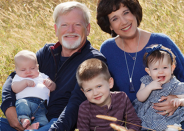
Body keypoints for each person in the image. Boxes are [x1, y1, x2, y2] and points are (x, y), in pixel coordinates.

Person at [0, 1, 106, 131]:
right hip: (27, 120)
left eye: (77, 25)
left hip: (58, 125)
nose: (70, 30)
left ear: (88, 29)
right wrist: (9, 108)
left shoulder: (93, 60)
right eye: (64, 25)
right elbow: (14, 77)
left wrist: (53, 129)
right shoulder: (47, 52)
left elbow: (76, 104)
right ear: (56, 30)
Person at [96, 0, 184, 130]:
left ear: (134, 12)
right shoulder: (107, 49)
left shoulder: (161, 41)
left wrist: (180, 100)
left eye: (126, 12)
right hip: (140, 121)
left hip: (177, 113)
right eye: (115, 18)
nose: (124, 21)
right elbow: (105, 89)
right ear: (110, 25)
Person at [134, 44, 184, 130]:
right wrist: (149, 88)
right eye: (155, 69)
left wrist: (180, 101)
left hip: (168, 118)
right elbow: (140, 98)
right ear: (148, 71)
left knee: (172, 128)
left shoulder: (175, 84)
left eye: (164, 67)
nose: (161, 72)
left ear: (172, 68)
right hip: (147, 117)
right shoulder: (147, 81)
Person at [76, 58, 141, 131]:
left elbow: (134, 121)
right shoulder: (84, 108)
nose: (95, 93)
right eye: (89, 90)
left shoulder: (122, 98)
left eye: (99, 86)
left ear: (110, 83)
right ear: (83, 92)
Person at [12, 50, 56, 130]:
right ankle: (24, 119)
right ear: (16, 70)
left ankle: (32, 128)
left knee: (43, 120)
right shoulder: (18, 77)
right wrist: (24, 83)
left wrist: (50, 84)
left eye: (32, 68)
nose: (28, 72)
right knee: (21, 105)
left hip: (41, 105)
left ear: (37, 67)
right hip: (25, 101)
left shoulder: (42, 76)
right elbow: (14, 88)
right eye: (23, 70)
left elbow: (53, 88)